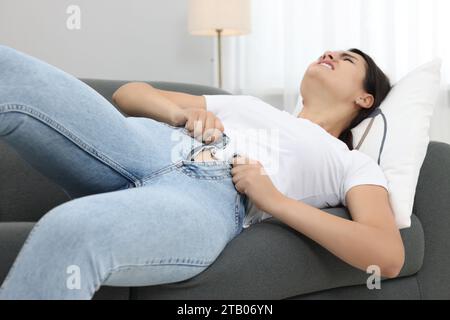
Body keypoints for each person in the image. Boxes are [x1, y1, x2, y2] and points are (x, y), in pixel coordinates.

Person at [0, 45, 404, 299]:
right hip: (148, 141)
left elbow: (386, 256)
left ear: (364, 97)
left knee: (72, 231)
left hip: (210, 198)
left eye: (346, 58)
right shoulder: (248, 104)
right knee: (11, 70)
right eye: (328, 52)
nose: (328, 55)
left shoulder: (352, 161)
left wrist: (275, 201)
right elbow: (130, 94)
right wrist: (180, 112)